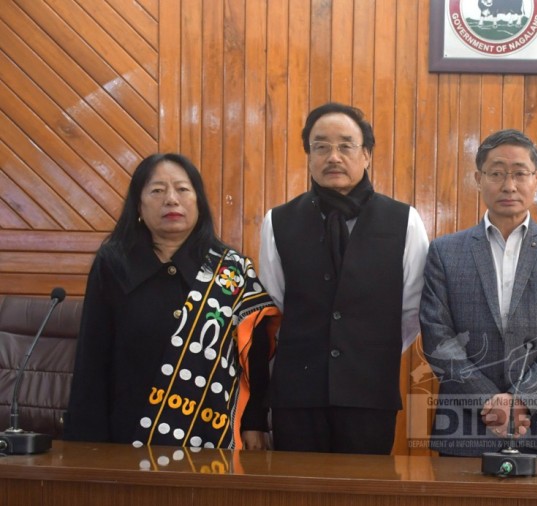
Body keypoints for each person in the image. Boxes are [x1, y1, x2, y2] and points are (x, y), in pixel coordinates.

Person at [65, 153, 278, 450]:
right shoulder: (114, 264)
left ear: (198, 202)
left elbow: (254, 356)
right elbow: (92, 355)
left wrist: (255, 422)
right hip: (128, 431)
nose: (171, 200)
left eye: (182, 189)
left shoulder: (231, 270)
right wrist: (87, 441)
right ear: (138, 206)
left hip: (212, 435)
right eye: (157, 190)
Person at [258, 102, 429, 454]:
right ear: (309, 156)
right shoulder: (278, 221)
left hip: (369, 392)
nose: (333, 157)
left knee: (365, 488)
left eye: (345, 146)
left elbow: (413, 308)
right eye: (321, 146)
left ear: (366, 155)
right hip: (297, 395)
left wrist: (366, 352)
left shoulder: (404, 221)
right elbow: (273, 308)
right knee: (296, 486)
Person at [420, 129, 537, 457]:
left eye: (520, 173)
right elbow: (437, 335)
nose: (509, 185)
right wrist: (487, 400)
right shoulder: (445, 251)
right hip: (466, 422)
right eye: (496, 173)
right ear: (478, 179)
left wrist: (523, 399)